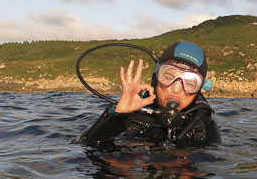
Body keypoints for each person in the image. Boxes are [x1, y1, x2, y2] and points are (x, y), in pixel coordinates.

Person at [76, 41, 221, 147]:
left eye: (189, 83)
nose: (176, 89)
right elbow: (85, 147)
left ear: (199, 88)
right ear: (156, 78)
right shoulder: (133, 113)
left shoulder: (203, 125)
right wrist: (118, 114)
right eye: (168, 77)